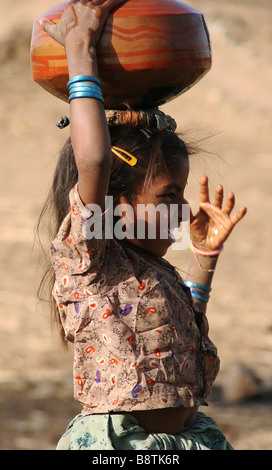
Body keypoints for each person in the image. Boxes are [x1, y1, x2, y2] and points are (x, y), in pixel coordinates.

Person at [38, 0, 247, 450]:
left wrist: (205, 260)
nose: (186, 209)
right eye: (169, 195)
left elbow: (177, 335)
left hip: (192, 441)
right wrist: (80, 53)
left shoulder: (152, 271)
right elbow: (92, 160)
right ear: (112, 202)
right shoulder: (92, 259)